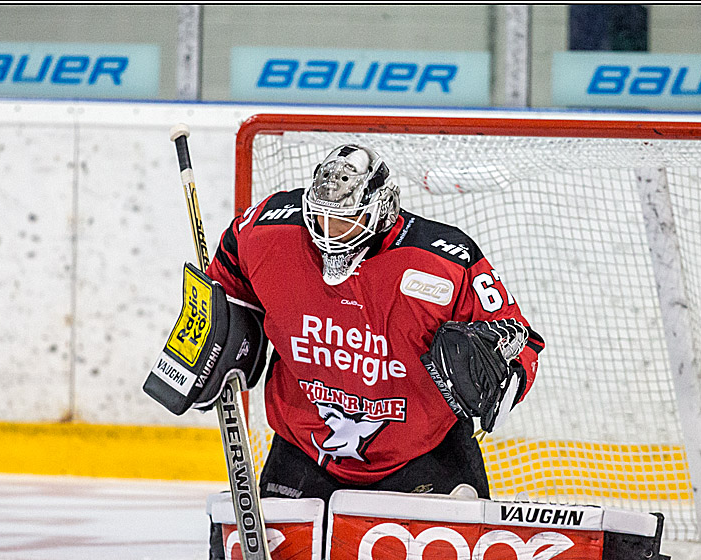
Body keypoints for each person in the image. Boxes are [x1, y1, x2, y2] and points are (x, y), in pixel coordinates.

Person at [204, 143, 543, 507]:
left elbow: (520, 339)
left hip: (424, 454)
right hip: (304, 449)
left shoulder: (444, 259)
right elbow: (229, 266)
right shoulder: (270, 231)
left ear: (382, 209)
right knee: (248, 545)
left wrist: (505, 382)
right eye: (320, 217)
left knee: (454, 546)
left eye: (346, 220)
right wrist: (210, 329)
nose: (329, 232)